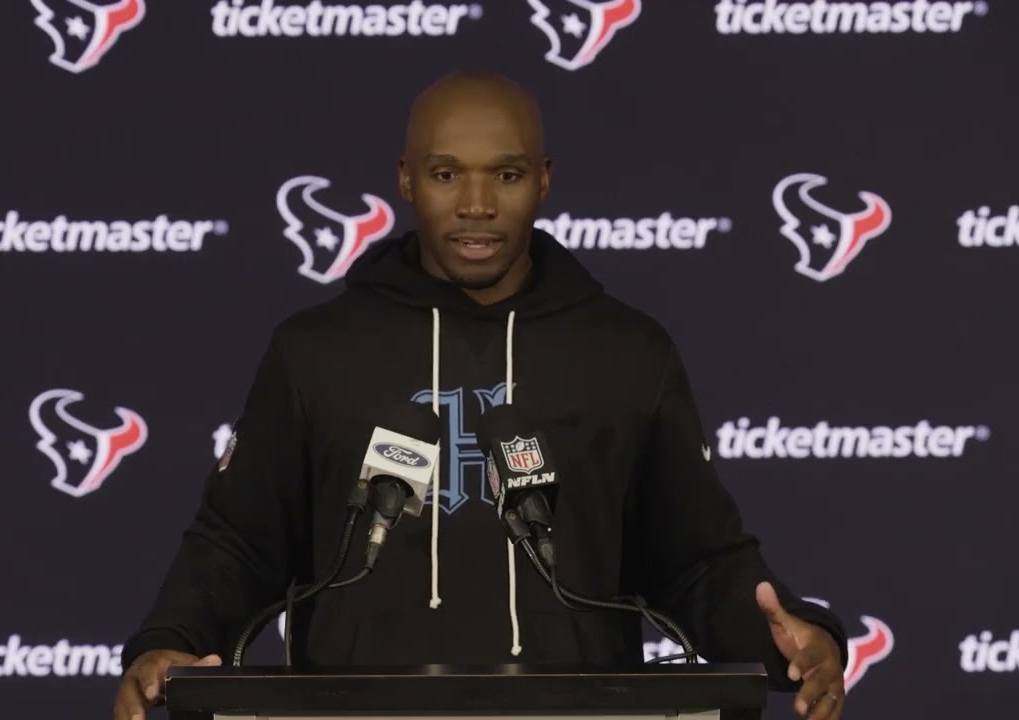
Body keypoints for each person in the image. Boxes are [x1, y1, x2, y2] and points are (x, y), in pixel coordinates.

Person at [114, 70, 850, 720]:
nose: (475, 205)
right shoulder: (316, 350)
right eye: (445, 175)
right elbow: (240, 542)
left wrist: (792, 637)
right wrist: (169, 642)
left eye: (505, 175)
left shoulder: (626, 351)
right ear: (405, 180)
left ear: (544, 179)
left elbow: (694, 557)